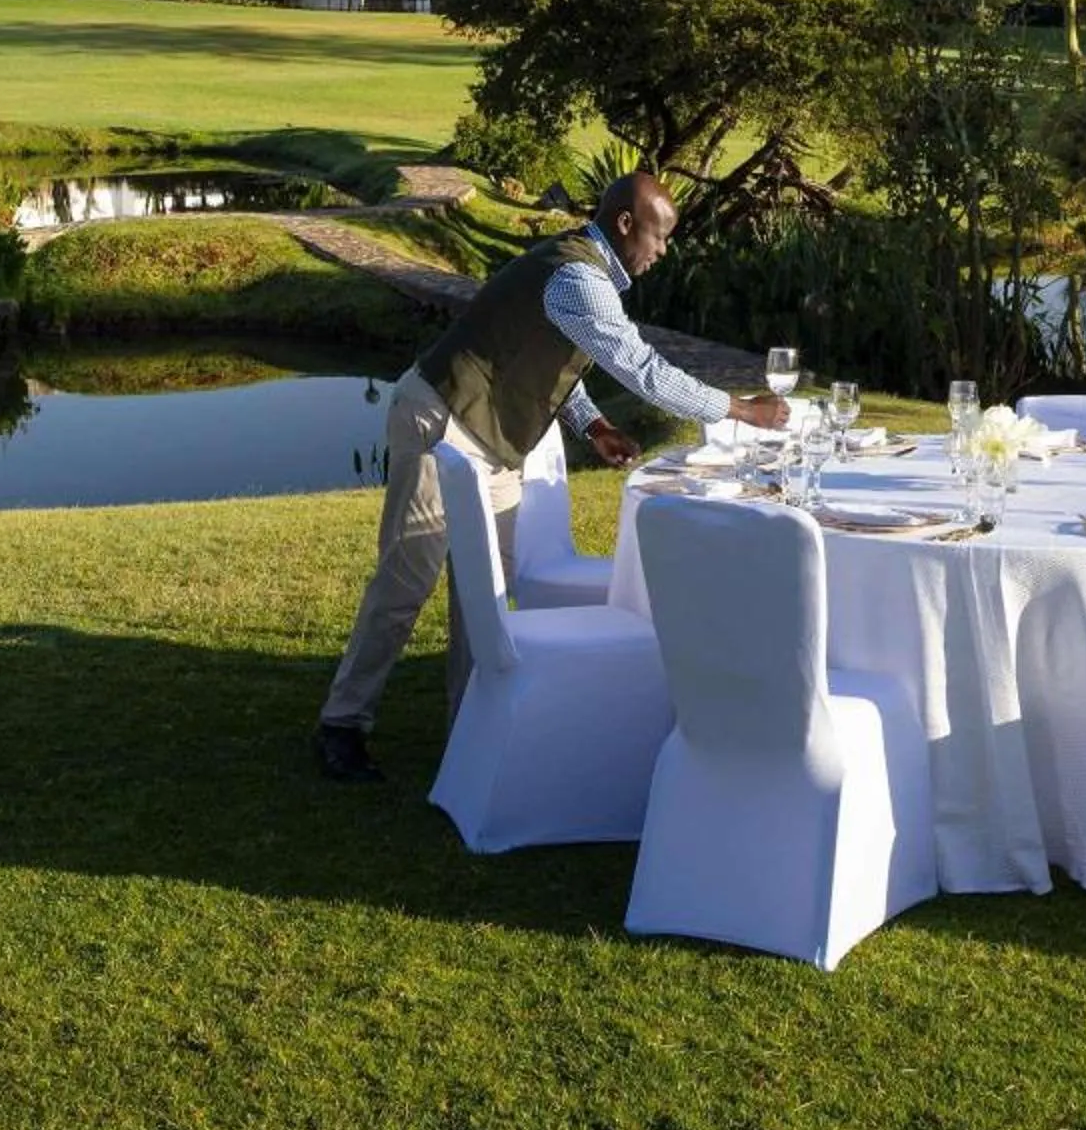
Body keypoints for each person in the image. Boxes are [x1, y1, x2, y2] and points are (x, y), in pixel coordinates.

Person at [315, 168, 789, 782]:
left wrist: (593, 425)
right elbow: (644, 371)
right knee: (406, 580)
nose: (663, 251)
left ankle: (469, 726)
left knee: (484, 594)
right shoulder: (578, 277)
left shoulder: (581, 269)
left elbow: (549, 358)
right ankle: (342, 725)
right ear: (626, 224)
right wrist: (742, 410)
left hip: (492, 440)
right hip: (443, 420)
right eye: (660, 236)